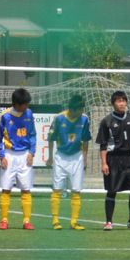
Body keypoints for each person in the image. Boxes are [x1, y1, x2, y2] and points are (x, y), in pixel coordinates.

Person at [96, 90, 130, 231]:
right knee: (112, 190)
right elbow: (103, 145)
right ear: (113, 104)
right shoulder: (107, 121)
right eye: (119, 101)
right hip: (113, 159)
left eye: (123, 100)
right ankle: (109, 222)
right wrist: (104, 163)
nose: (122, 103)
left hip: (129, 159)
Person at [49, 94, 92, 231]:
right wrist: (50, 157)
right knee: (57, 189)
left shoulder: (84, 119)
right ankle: (55, 220)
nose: (81, 112)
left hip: (77, 157)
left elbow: (86, 140)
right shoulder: (59, 118)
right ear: (73, 109)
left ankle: (74, 222)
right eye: (79, 109)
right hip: (61, 157)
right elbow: (51, 138)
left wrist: (84, 159)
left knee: (76, 190)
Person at [0, 87, 37, 230]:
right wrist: (2, 156)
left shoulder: (29, 114)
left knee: (26, 189)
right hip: (9, 154)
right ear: (16, 104)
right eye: (24, 104)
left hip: (25, 155)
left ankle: (26, 221)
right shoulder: (5, 116)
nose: (26, 107)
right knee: (6, 189)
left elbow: (32, 134)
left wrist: (32, 153)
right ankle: (4, 220)